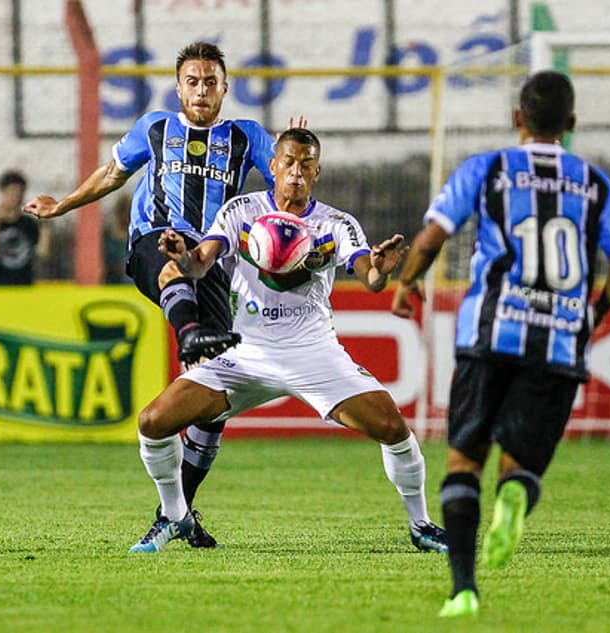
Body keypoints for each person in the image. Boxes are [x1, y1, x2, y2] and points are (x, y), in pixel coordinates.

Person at [24, 41, 297, 548]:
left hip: (212, 261)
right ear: (178, 88)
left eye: (210, 82)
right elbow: (113, 174)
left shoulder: (246, 136)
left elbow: (286, 185)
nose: (201, 90)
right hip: (155, 241)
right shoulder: (155, 128)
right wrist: (62, 205)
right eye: (192, 82)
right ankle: (188, 332)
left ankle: (177, 513)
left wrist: (294, 153)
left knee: (212, 399)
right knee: (171, 261)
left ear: (224, 89)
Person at [390, 71, 610, 618]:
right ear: (571, 124)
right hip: (559, 343)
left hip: (490, 333)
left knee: (463, 461)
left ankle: (463, 590)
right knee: (520, 467)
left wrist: (407, 282)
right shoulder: (595, 183)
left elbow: (432, 237)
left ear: (516, 118)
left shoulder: (487, 169)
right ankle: (518, 495)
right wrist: (592, 314)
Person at [129, 127, 448, 557]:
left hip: (312, 352)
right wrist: (182, 257)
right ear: (273, 166)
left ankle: (421, 525)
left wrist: (379, 268)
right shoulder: (242, 210)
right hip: (244, 353)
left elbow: (369, 277)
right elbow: (201, 264)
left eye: (306, 164)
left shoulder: (335, 224)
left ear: (317, 172)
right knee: (153, 422)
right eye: (289, 162)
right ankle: (175, 515)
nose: (296, 171)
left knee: (393, 428)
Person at [0, 169, 50, 285]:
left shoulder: (28, 223)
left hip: (22, 286)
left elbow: (42, 253)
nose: (16, 197)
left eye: (19, 192)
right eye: (12, 192)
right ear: (3, 192)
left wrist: (46, 228)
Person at [103, 193, 133, 284]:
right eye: (123, 211)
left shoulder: (138, 237)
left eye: (128, 212)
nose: (126, 216)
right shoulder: (108, 237)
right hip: (114, 282)